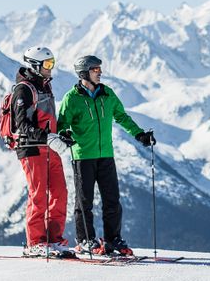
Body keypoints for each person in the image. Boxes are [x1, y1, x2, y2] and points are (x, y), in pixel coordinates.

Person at [57, 55, 155, 256]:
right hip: (83, 156)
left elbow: (121, 116)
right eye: (95, 70)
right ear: (84, 73)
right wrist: (64, 133)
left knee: (112, 200)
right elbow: (62, 124)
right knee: (84, 201)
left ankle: (113, 240)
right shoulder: (72, 98)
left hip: (106, 155)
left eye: (100, 69)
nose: (100, 73)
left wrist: (139, 134)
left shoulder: (107, 94)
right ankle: (85, 240)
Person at [11, 46, 74, 258]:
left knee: (59, 193)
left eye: (52, 63)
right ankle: (35, 242)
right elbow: (22, 125)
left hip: (50, 147)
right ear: (35, 66)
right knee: (38, 195)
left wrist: (60, 135)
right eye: (47, 64)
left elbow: (48, 120)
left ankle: (54, 239)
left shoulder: (45, 87)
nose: (51, 68)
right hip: (31, 147)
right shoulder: (24, 89)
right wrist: (48, 137)